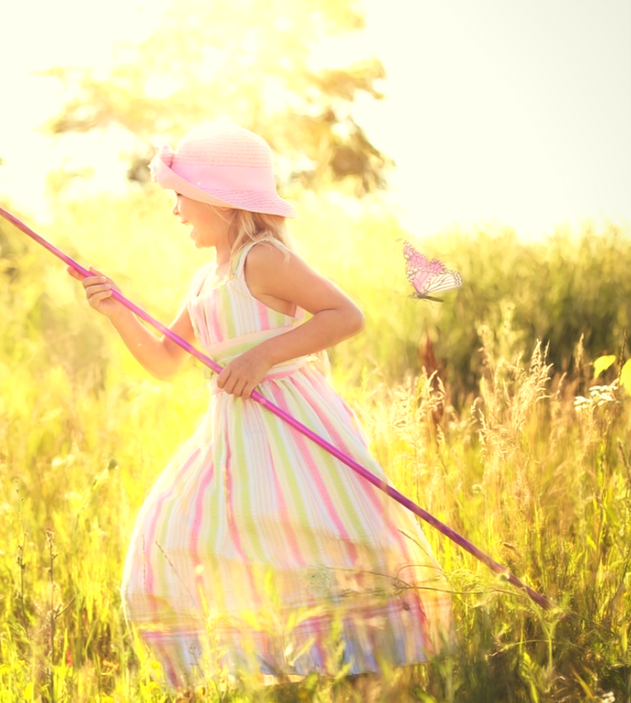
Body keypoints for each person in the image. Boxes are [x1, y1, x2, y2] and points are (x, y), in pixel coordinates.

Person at [68, 119, 454, 689]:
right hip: (230, 436)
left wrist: (262, 357)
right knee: (173, 528)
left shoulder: (263, 259)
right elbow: (164, 362)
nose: (175, 211)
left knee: (307, 530)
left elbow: (346, 316)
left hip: (292, 427)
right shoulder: (204, 281)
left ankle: (356, 667)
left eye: (181, 196)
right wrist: (118, 310)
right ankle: (263, 663)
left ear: (218, 201)